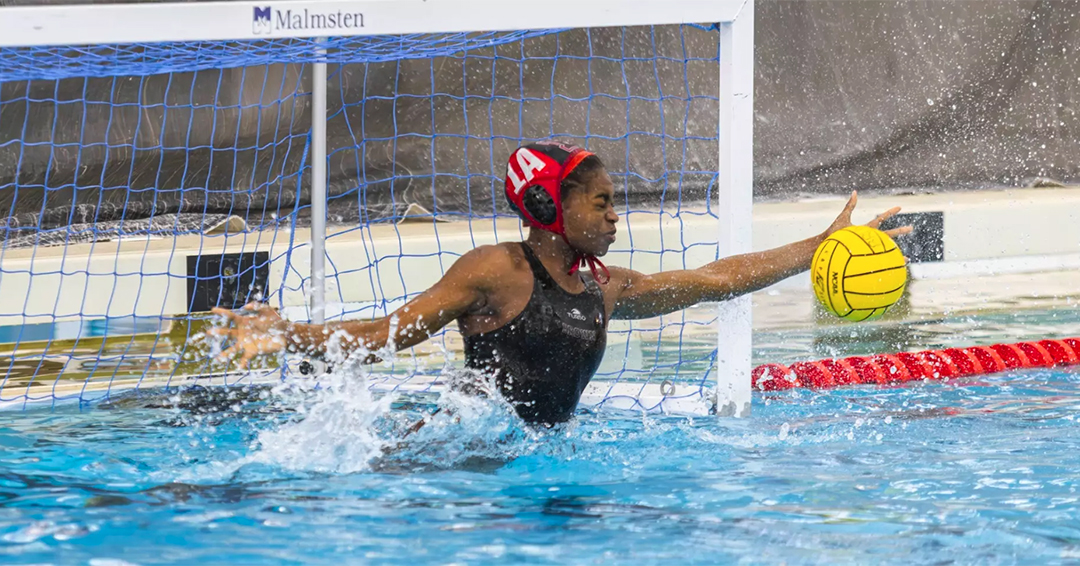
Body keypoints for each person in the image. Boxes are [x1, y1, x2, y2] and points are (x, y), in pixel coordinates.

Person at [210, 141, 911, 426]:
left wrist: (817, 247)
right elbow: (384, 335)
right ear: (549, 207)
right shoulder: (494, 273)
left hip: (537, 459)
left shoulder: (602, 288)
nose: (614, 215)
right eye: (601, 202)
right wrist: (286, 335)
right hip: (457, 451)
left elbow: (713, 280)